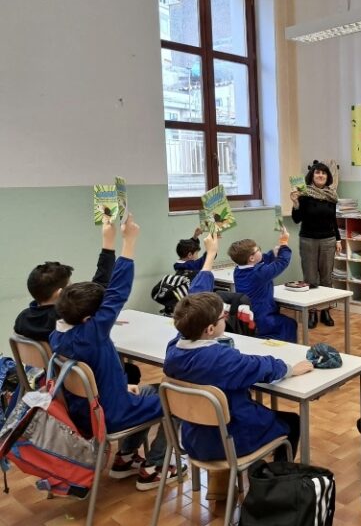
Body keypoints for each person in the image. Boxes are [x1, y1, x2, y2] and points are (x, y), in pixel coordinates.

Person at [164, 233, 314, 500]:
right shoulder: (224, 360)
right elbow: (265, 367)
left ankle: (222, 489)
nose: (226, 318)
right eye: (223, 316)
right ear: (211, 329)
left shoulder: (175, 348)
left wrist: (210, 256)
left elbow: (196, 296)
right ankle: (271, 488)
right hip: (229, 440)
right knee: (291, 421)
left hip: (194, 439)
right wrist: (291, 368)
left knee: (234, 408)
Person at [49, 214, 184, 490]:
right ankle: (156, 466)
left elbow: (103, 293)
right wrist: (129, 242)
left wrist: (108, 240)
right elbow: (117, 292)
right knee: (179, 400)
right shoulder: (92, 334)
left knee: (148, 390)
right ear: (91, 319)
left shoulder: (58, 334)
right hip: (111, 414)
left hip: (88, 411)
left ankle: (124, 457)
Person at [14, 218, 140, 384]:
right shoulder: (67, 320)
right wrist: (113, 242)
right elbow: (104, 289)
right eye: (70, 285)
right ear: (60, 294)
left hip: (50, 379)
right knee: (132, 372)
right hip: (85, 380)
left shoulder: (22, 319)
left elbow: (97, 286)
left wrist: (108, 242)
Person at [290, 160, 342, 329]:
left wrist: (338, 239)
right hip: (308, 240)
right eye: (317, 172)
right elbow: (297, 219)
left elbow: (333, 220)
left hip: (328, 240)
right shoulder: (304, 194)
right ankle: (312, 312)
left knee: (327, 277)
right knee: (310, 278)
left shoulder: (331, 196)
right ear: (312, 176)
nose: (320, 175)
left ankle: (325, 311)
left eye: (324, 173)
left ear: (328, 177)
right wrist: (295, 203)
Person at [228, 229, 297, 342]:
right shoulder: (258, 273)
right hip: (263, 319)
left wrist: (272, 254)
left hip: (249, 317)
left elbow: (260, 260)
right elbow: (282, 262)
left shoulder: (238, 270)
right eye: (258, 249)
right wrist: (284, 243)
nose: (260, 251)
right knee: (289, 324)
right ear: (251, 258)